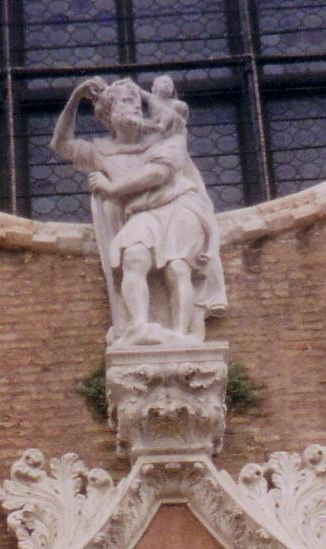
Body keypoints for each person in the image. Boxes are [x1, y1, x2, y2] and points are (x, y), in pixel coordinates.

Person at [50, 75, 226, 346]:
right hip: (141, 213)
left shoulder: (165, 136)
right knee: (133, 258)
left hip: (179, 205)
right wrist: (75, 98)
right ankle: (139, 326)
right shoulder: (101, 151)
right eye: (124, 103)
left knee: (178, 268)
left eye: (136, 103)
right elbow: (60, 144)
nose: (133, 107)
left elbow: (159, 172)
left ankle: (182, 335)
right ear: (108, 113)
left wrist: (113, 188)